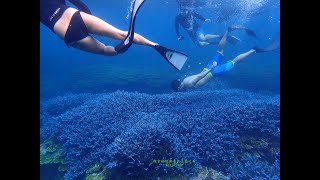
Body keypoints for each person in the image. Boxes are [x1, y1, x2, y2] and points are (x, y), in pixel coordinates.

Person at [171, 26, 279, 91]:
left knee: (234, 62)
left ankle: (253, 50)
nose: (180, 91)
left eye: (179, 90)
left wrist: (211, 69)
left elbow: (199, 76)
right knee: (220, 51)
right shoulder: (184, 80)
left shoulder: (188, 84)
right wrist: (209, 68)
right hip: (208, 68)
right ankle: (228, 31)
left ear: (179, 87)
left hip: (213, 71)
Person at [40, 0, 158, 56]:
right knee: (121, 34)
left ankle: (120, 48)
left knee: (107, 51)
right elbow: (78, 3)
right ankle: (154, 45)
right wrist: (88, 18)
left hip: (65, 32)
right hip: (74, 15)